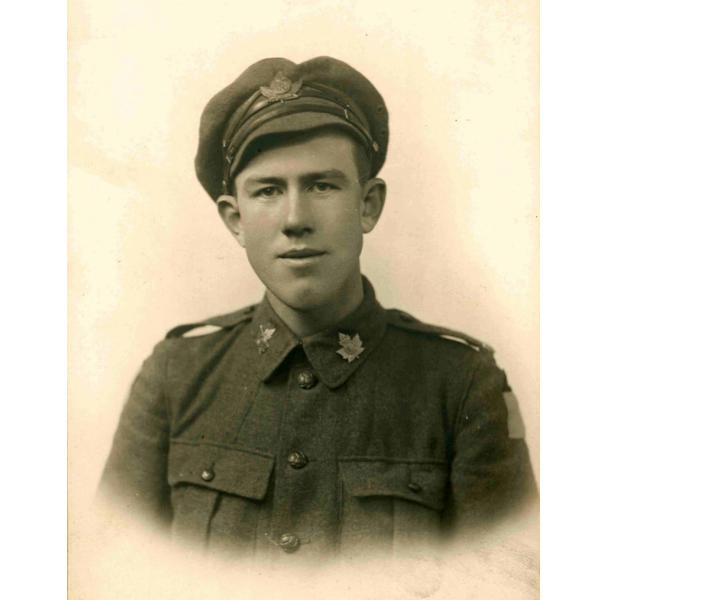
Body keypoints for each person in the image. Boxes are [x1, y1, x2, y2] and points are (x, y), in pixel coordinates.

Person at [99, 56, 536, 561]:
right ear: (235, 219)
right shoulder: (175, 376)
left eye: (322, 186)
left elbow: (507, 579)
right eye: (267, 191)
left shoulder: (461, 383)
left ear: (368, 204)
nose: (295, 219)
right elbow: (115, 574)